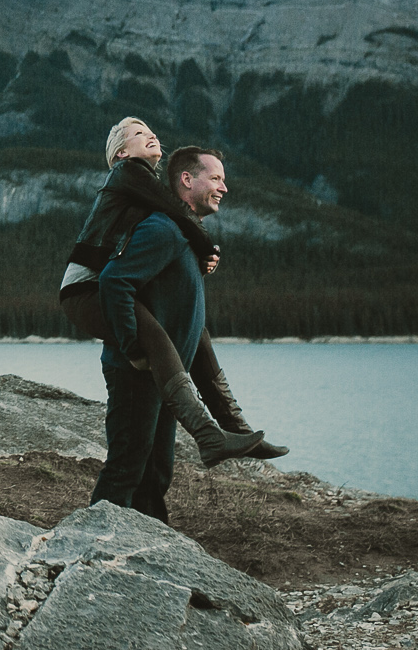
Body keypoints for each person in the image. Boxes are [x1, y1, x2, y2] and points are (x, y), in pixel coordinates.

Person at [59, 119, 284, 465]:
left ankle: (235, 428)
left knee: (198, 335)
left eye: (151, 131)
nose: (149, 135)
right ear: (121, 153)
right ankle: (209, 436)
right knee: (157, 339)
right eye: (137, 134)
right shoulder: (126, 172)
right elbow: (174, 211)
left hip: (102, 282)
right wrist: (207, 245)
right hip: (84, 287)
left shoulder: (144, 187)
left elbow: (163, 229)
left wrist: (199, 255)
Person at [87, 144, 243, 518]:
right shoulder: (164, 229)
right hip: (138, 372)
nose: (224, 187)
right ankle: (91, 548)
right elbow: (114, 282)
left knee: (156, 474)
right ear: (187, 180)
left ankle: (147, 552)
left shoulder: (184, 235)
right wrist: (133, 349)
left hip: (162, 375)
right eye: (216, 178)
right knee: (127, 469)